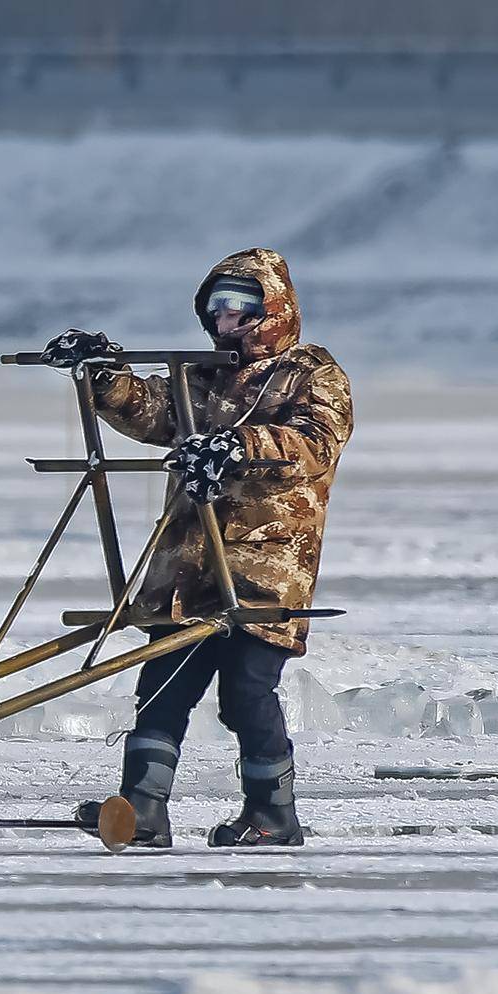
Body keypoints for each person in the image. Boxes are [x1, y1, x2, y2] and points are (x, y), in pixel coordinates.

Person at [74, 248, 354, 847]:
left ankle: (273, 813)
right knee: (163, 687)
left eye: (242, 307)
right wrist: (106, 377)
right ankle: (143, 809)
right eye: (217, 307)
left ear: (271, 310)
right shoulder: (200, 375)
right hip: (189, 565)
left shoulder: (311, 373)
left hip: (263, 568)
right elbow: (153, 413)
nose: (228, 320)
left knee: (247, 691)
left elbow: (314, 443)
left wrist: (239, 446)